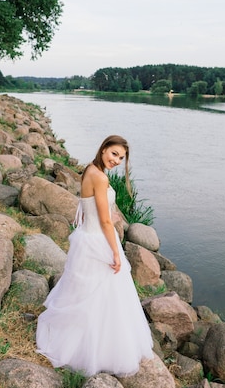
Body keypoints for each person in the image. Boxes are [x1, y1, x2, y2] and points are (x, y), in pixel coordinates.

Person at [36, 135, 154, 377]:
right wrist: (115, 251)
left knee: (89, 295)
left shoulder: (91, 169)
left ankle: (90, 341)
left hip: (87, 238)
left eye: (121, 158)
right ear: (103, 150)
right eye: (114, 154)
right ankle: (94, 350)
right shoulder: (99, 177)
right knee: (99, 296)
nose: (117, 160)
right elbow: (105, 220)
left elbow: (87, 209)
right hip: (97, 241)